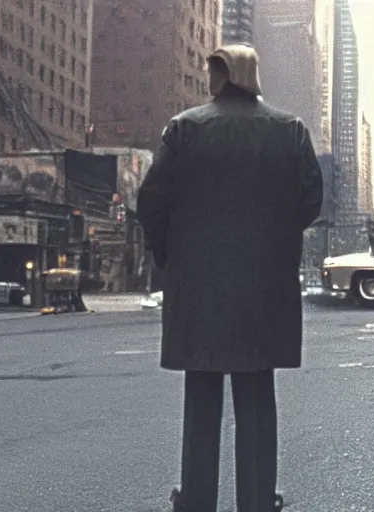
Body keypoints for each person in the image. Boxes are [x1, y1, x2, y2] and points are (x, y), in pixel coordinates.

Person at [137, 44, 323, 512]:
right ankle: (258, 501)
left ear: (221, 77)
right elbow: (311, 201)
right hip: (265, 288)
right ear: (253, 76)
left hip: (197, 288)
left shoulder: (185, 129)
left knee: (201, 397)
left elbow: (151, 202)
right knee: (257, 396)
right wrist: (276, 237)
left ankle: (197, 500)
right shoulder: (290, 130)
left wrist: (168, 255)